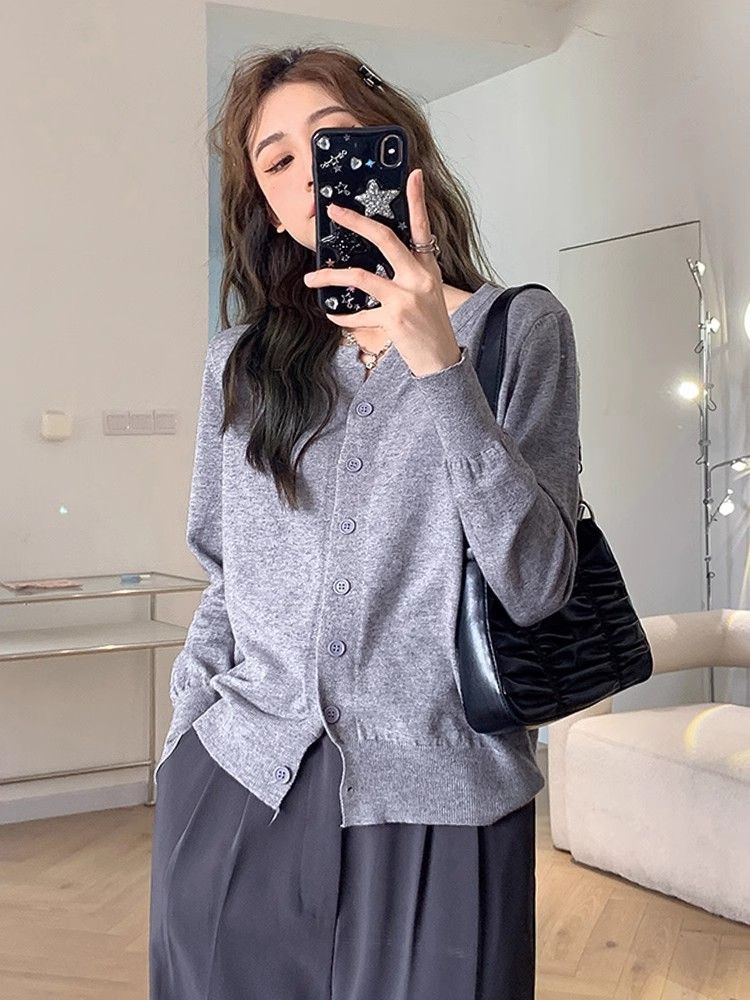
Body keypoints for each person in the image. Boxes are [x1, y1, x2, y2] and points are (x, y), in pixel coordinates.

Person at [149, 43, 581, 1000]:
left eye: (331, 142)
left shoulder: (520, 333)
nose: (309, 176)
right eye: (276, 162)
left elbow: (538, 583)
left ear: (395, 153)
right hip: (241, 782)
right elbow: (224, 577)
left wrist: (440, 367)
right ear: (269, 207)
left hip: (446, 801)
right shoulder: (241, 364)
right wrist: (183, 749)